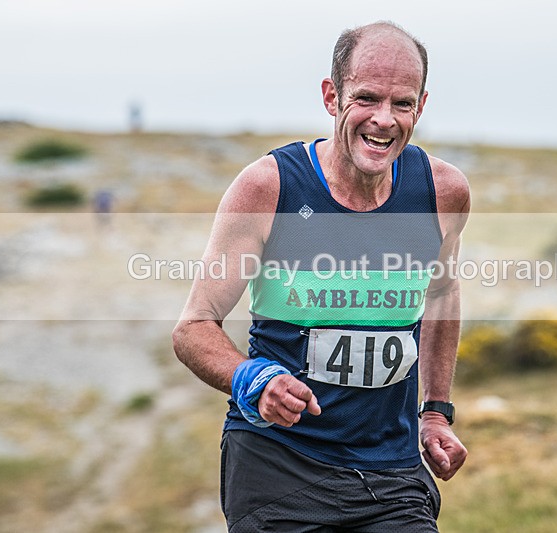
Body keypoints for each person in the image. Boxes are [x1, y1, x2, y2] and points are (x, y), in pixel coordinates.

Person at [173, 21, 470, 532]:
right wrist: (253, 380)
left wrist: (436, 412)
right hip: (279, 464)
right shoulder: (269, 187)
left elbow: (442, 294)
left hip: (391, 472)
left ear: (420, 107)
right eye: (367, 98)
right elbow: (194, 327)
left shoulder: (442, 192)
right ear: (332, 97)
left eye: (402, 104)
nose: (384, 120)